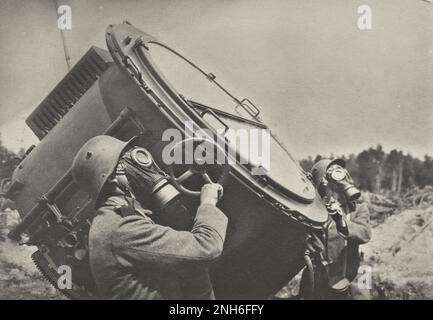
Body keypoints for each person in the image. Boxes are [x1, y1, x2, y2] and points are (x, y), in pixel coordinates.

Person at [71, 135, 228, 299]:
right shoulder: (121, 227)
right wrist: (208, 204)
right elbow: (206, 247)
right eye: (128, 164)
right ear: (113, 180)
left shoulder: (113, 218)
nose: (141, 167)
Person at [304, 158, 372, 299]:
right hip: (322, 274)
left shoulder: (357, 207)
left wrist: (341, 221)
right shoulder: (315, 210)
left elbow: (365, 233)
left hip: (354, 270)